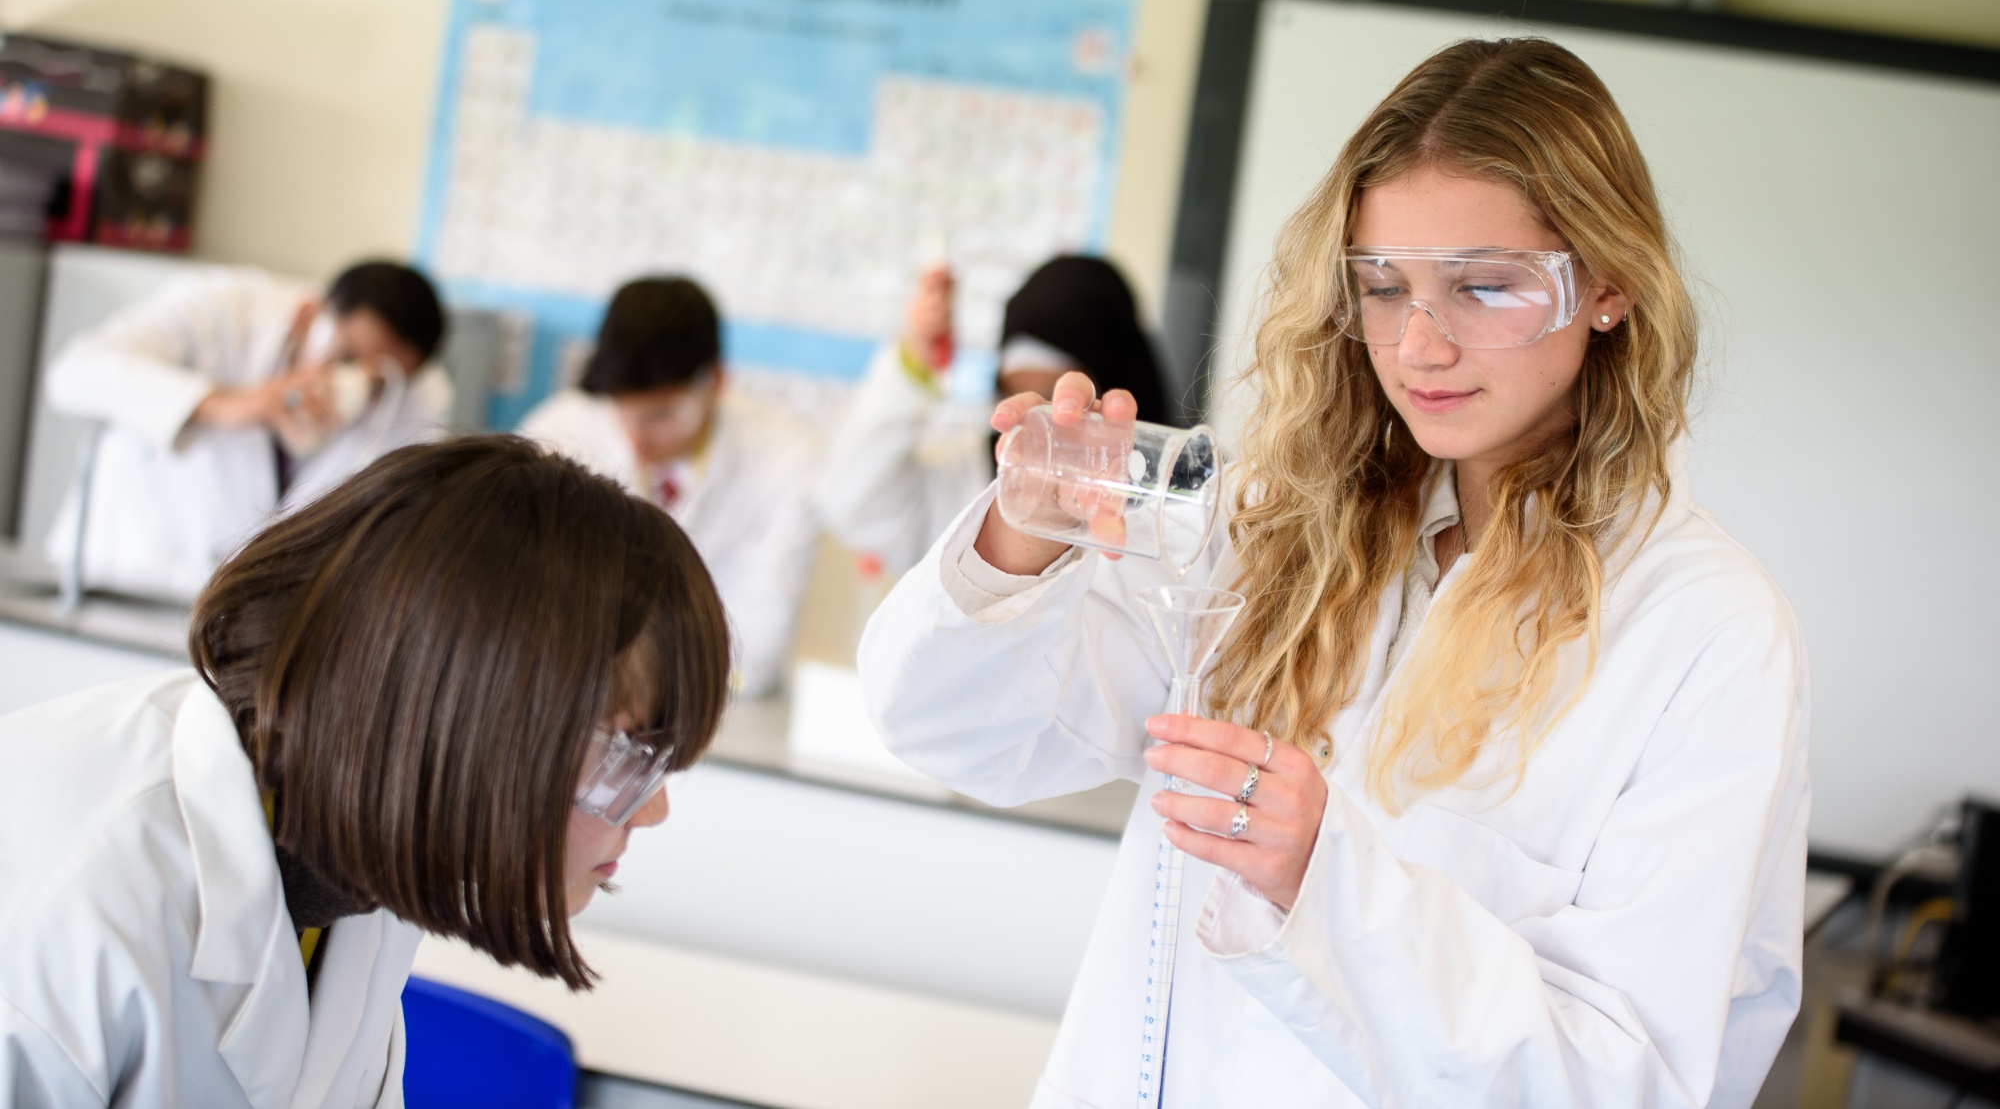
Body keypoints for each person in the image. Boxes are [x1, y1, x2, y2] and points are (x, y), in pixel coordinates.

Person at [859, 40, 1809, 1107]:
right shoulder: (1274, 521)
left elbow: (1628, 1084)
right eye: (1382, 286)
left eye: (1484, 287)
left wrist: (1323, 879)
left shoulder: (1703, 630)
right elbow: (954, 732)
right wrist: (1020, 542)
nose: (1417, 347)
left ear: (1606, 286)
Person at [0, 435, 732, 1107]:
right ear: (470, 720)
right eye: (629, 759)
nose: (652, 808)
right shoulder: (69, 904)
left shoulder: (357, 869)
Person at [42, 259, 454, 601]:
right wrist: (235, 406)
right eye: (343, 356)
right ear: (311, 314)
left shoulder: (412, 393)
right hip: (120, 574)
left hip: (240, 619)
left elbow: (387, 529)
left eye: (375, 383)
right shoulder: (224, 308)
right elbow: (74, 374)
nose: (351, 384)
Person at [520, 275, 821, 699]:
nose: (636, 440)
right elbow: (522, 606)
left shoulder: (787, 460)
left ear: (715, 382)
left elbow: (757, 644)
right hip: (562, 699)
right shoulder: (554, 433)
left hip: (713, 705)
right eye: (623, 412)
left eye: (661, 415)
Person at [817, 254, 1172, 575]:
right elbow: (851, 502)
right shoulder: (973, 486)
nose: (1034, 431)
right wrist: (914, 363)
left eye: (1055, 405)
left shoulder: (1187, 511)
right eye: (1012, 395)